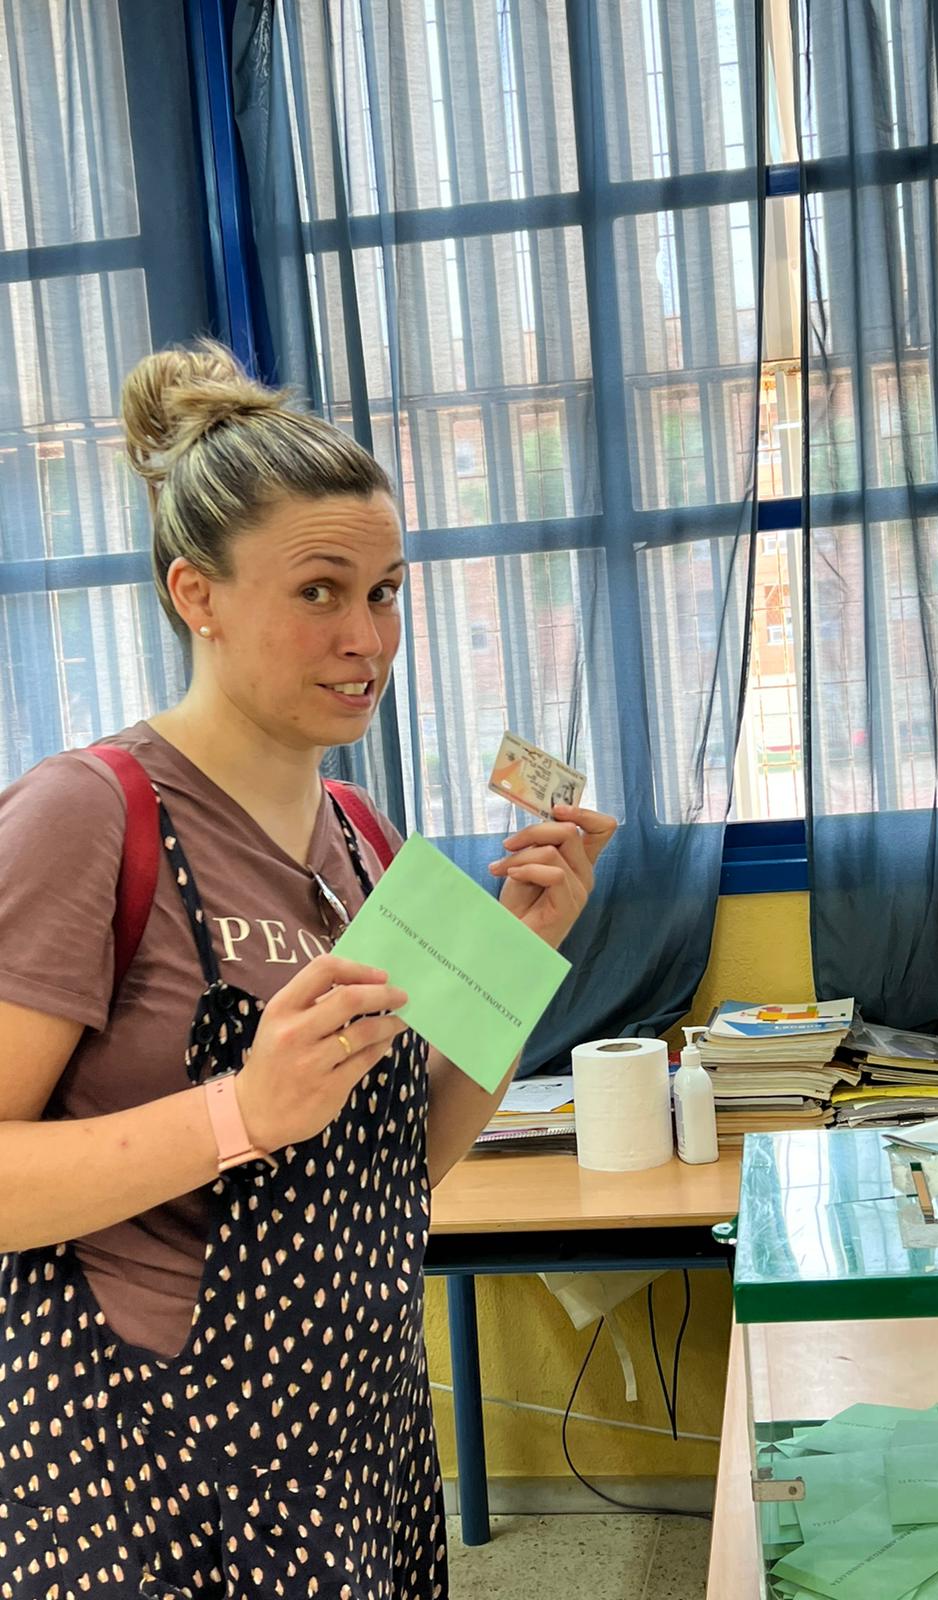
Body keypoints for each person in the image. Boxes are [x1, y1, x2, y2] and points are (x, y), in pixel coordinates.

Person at [0, 340, 616, 1598]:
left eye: (387, 592)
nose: (367, 637)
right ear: (198, 594)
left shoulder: (365, 841)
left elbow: (406, 1159)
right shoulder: (88, 817)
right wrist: (241, 1109)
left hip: (362, 1434)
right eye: (321, 591)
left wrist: (522, 953)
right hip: (150, 1457)